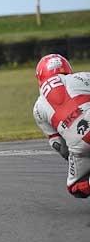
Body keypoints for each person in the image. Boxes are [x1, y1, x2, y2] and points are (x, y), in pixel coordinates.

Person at [33, 53, 90, 198]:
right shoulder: (82, 77)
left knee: (77, 188)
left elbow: (59, 145)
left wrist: (74, 155)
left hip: (80, 145)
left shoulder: (38, 108)